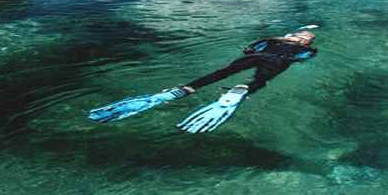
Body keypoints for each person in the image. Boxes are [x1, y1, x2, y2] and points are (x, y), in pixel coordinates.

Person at [88, 26, 318, 133]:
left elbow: (249, 49)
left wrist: (282, 38)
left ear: (292, 35)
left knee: (219, 73)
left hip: (258, 55)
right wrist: (299, 49)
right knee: (260, 79)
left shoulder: (271, 39)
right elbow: (302, 58)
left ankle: (188, 88)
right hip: (279, 61)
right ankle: (242, 89)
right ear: (307, 42)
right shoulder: (309, 50)